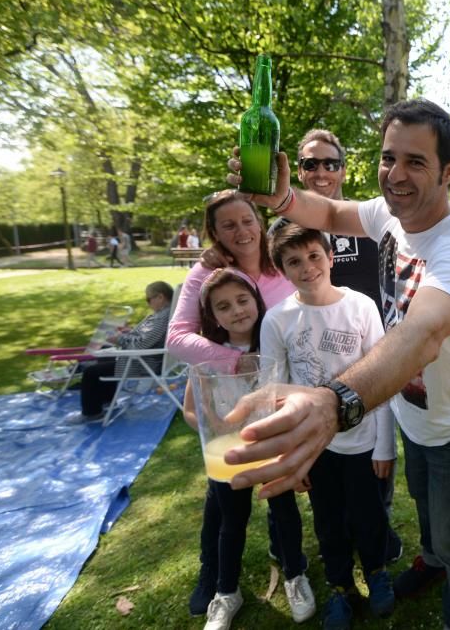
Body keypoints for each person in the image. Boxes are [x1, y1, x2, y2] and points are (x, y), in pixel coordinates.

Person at [224, 98, 450, 630]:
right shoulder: (389, 216)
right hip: (414, 416)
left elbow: (420, 336)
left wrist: (335, 402)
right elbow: (327, 213)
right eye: (387, 157)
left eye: (415, 162)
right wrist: (282, 196)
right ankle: (432, 562)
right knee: (426, 510)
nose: (395, 175)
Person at [165, 189, 306, 619]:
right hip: (229, 397)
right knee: (224, 507)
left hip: (282, 398)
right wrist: (238, 363)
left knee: (282, 504)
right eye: (228, 224)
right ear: (214, 233)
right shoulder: (208, 274)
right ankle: (217, 580)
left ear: (258, 219)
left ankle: (292, 567)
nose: (241, 230)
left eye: (247, 220)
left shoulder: (279, 259)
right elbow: (176, 338)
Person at [269, 128, 404, 562]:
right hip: (314, 364)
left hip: (372, 354)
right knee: (330, 480)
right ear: (300, 172)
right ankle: (339, 549)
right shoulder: (285, 227)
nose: (322, 171)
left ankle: (376, 541)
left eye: (331, 163)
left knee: (373, 470)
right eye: (310, 164)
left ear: (344, 169)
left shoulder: (369, 219)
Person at [262, 224, 396, 628]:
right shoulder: (277, 320)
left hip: (363, 438)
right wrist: (290, 458)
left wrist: (384, 444)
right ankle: (340, 586)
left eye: (314, 256)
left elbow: (383, 378)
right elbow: (273, 393)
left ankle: (376, 571)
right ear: (281, 269)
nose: (307, 268)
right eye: (294, 262)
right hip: (312, 446)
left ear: (331, 256)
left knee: (368, 512)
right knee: (328, 519)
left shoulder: (362, 307)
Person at [181, 268, 310, 630]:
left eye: (242, 299)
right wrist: (213, 428)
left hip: (272, 448)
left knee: (284, 512)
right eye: (224, 306)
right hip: (229, 455)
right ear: (213, 316)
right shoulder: (206, 358)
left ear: (256, 299)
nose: (236, 310)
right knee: (231, 521)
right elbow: (192, 410)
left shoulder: (274, 345)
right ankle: (226, 590)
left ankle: (295, 575)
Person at [66, 281, 173, 424]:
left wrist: (119, 339)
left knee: (91, 372)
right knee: (103, 357)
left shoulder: (162, 318)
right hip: (143, 358)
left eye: (149, 299)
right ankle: (106, 400)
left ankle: (91, 413)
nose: (148, 303)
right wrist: (129, 332)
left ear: (160, 297)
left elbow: (142, 344)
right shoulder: (163, 314)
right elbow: (146, 337)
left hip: (143, 363)